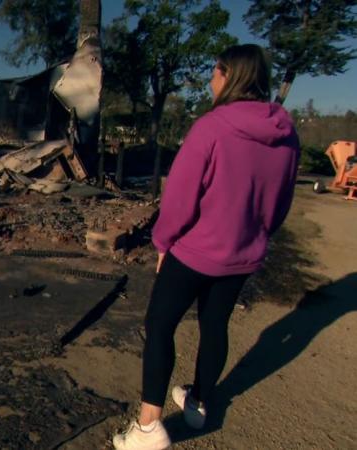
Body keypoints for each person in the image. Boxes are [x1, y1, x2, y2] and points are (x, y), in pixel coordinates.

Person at [112, 44, 300, 450]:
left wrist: (163, 241)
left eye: (215, 73)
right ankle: (197, 405)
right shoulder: (287, 136)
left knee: (160, 325)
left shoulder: (213, 127)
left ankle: (148, 427)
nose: (211, 82)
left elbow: (180, 197)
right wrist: (257, 235)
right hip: (243, 255)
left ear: (229, 75)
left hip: (194, 253)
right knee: (215, 325)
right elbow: (281, 202)